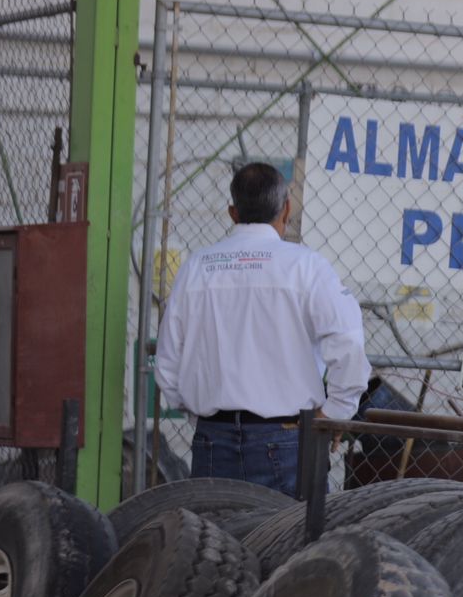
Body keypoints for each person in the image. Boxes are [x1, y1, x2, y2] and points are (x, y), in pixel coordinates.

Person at [154, 162, 370, 498]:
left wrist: (201, 415)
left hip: (212, 440)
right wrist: (334, 413)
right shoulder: (306, 267)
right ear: (287, 209)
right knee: (293, 532)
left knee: (212, 532)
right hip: (289, 439)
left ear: (233, 213)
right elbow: (349, 343)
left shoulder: (197, 267)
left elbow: (167, 363)